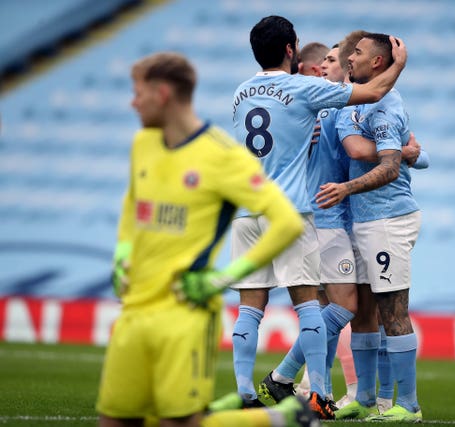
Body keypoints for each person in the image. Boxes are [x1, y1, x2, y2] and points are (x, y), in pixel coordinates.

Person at [95, 51, 312, 427]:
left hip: (184, 313)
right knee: (116, 420)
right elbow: (134, 205)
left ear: (162, 93)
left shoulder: (221, 156)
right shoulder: (142, 145)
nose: (133, 102)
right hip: (132, 311)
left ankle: (282, 420)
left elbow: (286, 222)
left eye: (138, 92)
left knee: (179, 423)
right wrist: (123, 255)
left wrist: (224, 278)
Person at [226, 15, 407, 421]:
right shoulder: (305, 87)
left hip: (246, 211)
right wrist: (398, 63)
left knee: (249, 308)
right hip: (288, 211)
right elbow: (375, 90)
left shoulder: (240, 93)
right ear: (291, 50)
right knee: (308, 304)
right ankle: (321, 394)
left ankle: (243, 392)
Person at [316, 33, 424, 423]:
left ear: (377, 63)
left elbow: (390, 166)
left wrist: (346, 187)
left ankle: (408, 405)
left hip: (387, 219)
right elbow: (380, 153)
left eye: (358, 53)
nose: (350, 58)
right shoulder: (360, 98)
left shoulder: (385, 107)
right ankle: (363, 397)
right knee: (364, 310)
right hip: (364, 219)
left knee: (393, 310)